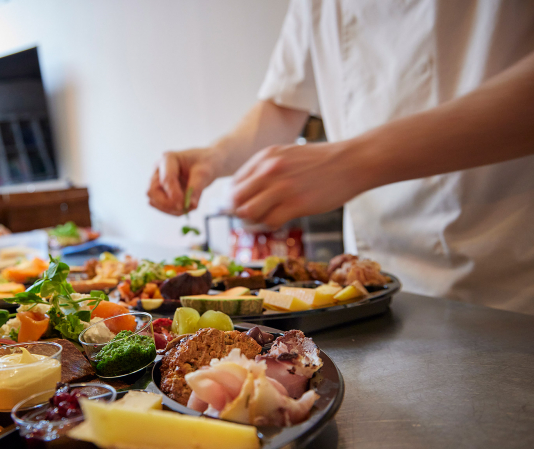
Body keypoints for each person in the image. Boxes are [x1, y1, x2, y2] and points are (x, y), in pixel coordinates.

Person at [147, 0, 534, 314]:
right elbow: (283, 103)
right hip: (367, 280)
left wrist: (352, 161)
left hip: (496, 274)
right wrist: (214, 157)